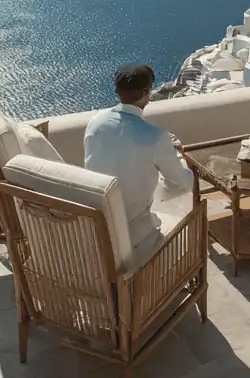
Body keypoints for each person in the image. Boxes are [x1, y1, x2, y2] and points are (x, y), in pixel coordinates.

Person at [83, 64, 196, 246]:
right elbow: (183, 181)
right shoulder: (154, 135)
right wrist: (180, 157)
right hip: (133, 234)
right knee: (179, 188)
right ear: (147, 93)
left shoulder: (94, 122)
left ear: (117, 92)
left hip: (97, 223)